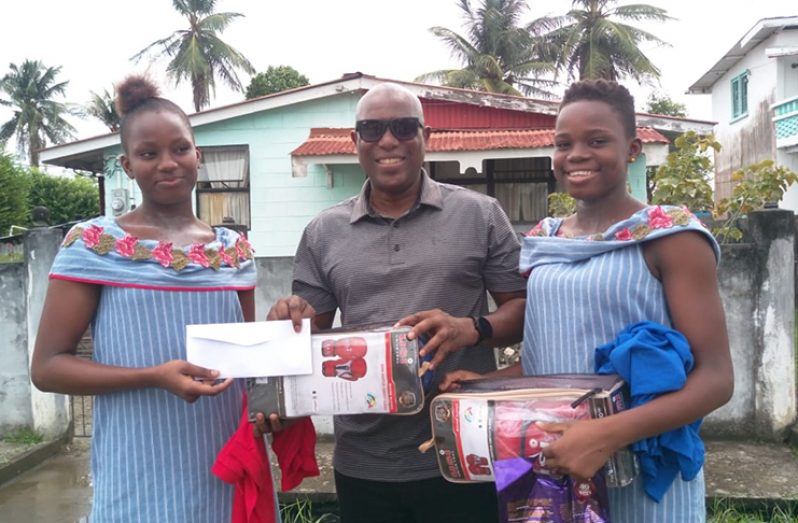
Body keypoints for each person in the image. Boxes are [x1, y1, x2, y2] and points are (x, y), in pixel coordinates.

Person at [443, 79, 734, 522]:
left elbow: (715, 378)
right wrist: (486, 385)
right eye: (564, 143)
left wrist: (604, 435)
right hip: (553, 465)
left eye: (597, 141)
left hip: (641, 469)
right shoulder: (544, 241)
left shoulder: (669, 236)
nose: (576, 154)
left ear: (633, 148)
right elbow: (550, 362)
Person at [267, 82, 527, 523]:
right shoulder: (323, 231)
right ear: (356, 143)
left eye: (404, 127)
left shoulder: (480, 214)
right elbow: (307, 336)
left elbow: (523, 313)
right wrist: (284, 320)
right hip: (364, 462)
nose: (388, 141)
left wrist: (472, 328)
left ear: (425, 138)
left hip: (464, 452)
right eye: (372, 129)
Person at [30, 75, 259, 522]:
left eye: (179, 148)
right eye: (148, 154)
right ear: (128, 165)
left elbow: (245, 364)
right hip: (137, 469)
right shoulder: (94, 244)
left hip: (222, 462)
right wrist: (154, 376)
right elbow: (47, 368)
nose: (168, 163)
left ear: (199, 155)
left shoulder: (233, 251)